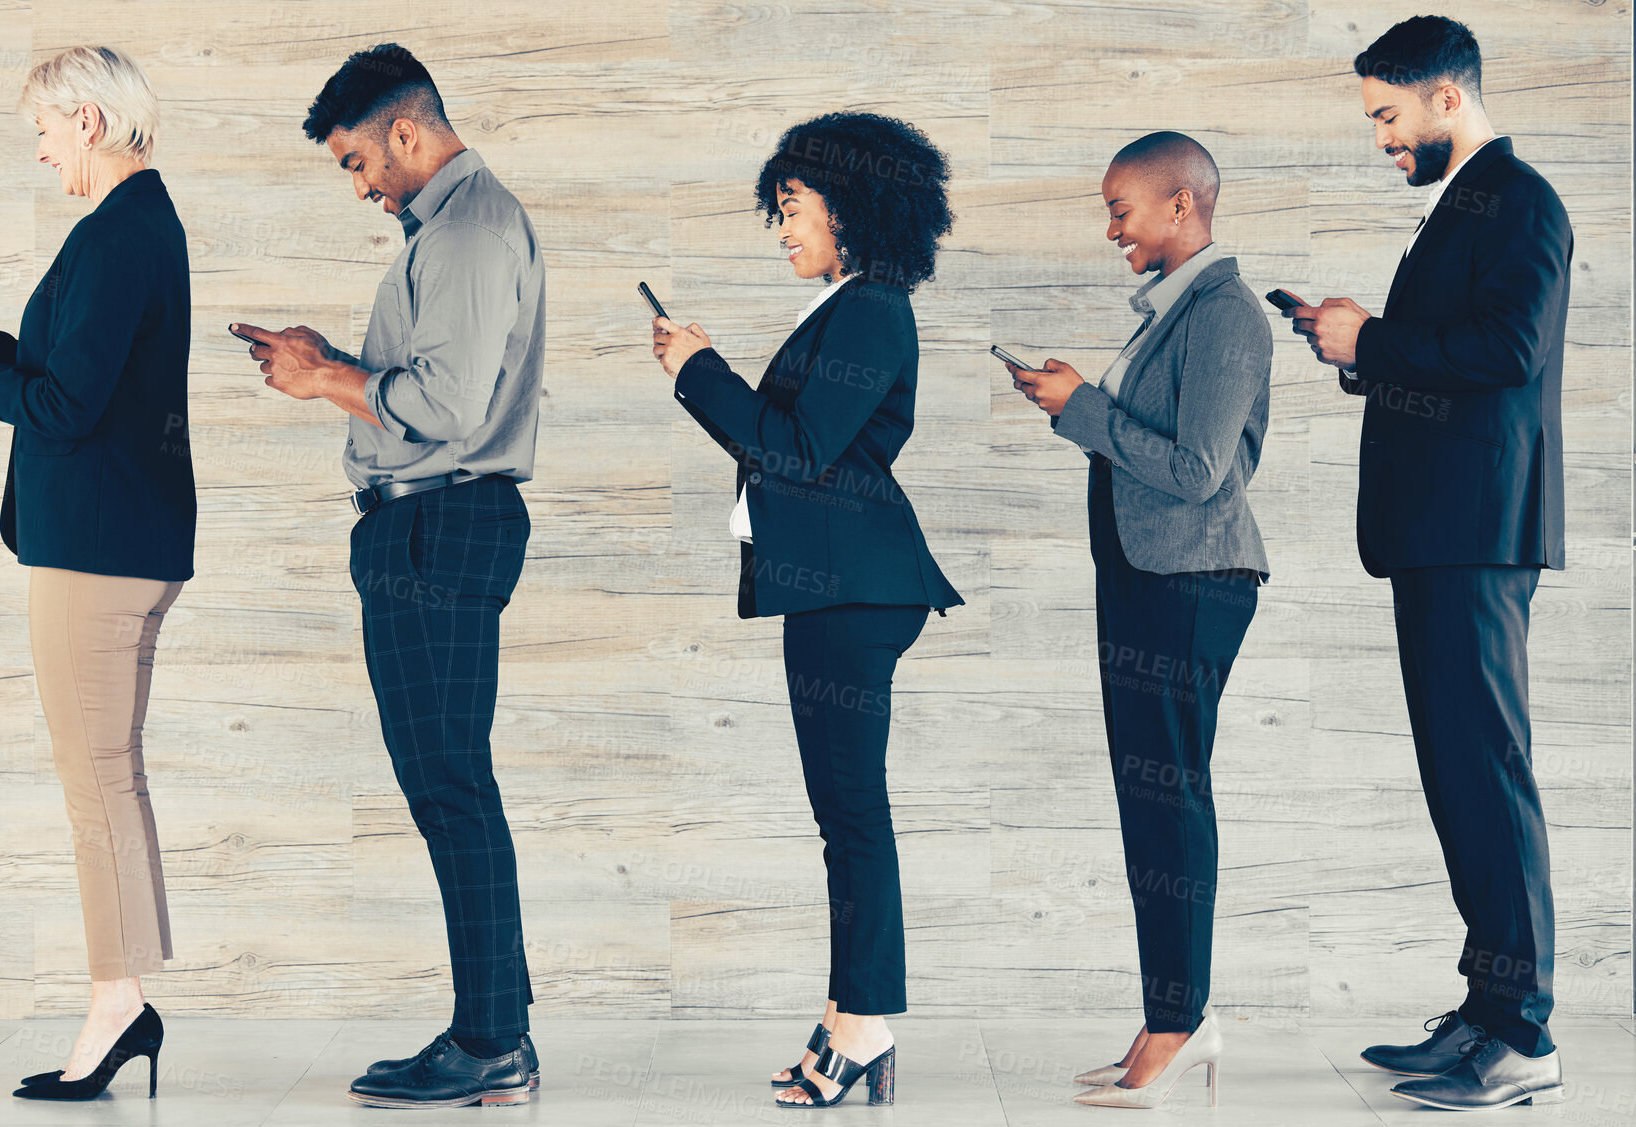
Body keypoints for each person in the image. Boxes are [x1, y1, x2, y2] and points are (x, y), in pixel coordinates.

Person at [235, 42, 543, 1109]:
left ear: (405, 131)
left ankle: (490, 1036)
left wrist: (320, 376)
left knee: (450, 786)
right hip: (431, 528)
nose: (362, 186)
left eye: (359, 162)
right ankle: (497, 1024)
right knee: (452, 782)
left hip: (438, 526)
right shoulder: (454, 227)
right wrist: (332, 361)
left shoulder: (464, 228)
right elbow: (427, 381)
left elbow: (448, 412)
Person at [0, 45, 192, 1102]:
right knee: (113, 773)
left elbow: (65, 412)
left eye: (45, 130)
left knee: (95, 780)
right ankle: (128, 993)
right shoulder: (136, 226)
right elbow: (76, 380)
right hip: (118, 542)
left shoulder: (117, 235)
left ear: (90, 124)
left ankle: (116, 1001)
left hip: (97, 550)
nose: (41, 149)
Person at [652, 111, 963, 1109]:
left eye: (793, 208)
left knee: (852, 817)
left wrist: (695, 370)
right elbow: (791, 444)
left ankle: (864, 1024)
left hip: (855, 588)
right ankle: (847, 1014)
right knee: (845, 815)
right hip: (838, 584)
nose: (783, 228)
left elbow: (794, 447)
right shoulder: (846, 305)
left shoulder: (871, 308)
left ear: (853, 205)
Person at [1287, 15, 1570, 1112]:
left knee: (1488, 777)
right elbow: (1455, 355)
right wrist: (1354, 347)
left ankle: (1525, 1034)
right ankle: (1485, 1010)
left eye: (1386, 116)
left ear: (1446, 99)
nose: (1379, 139)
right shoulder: (1469, 204)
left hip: (1477, 533)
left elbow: (1508, 349)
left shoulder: (1523, 200)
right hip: (1437, 532)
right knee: (1459, 777)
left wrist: (1374, 340)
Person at [1006, 131, 1270, 1111]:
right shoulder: (1176, 316)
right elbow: (1159, 447)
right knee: (1150, 799)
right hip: (1149, 576)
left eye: (1122, 207)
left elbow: (1201, 471)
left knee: (1169, 797)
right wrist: (1084, 400)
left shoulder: (1226, 313)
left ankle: (1179, 1017)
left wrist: (1081, 407)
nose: (1110, 226)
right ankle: (1169, 1009)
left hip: (1191, 578)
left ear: (1181, 205)